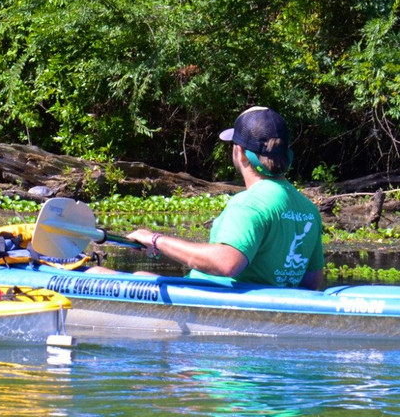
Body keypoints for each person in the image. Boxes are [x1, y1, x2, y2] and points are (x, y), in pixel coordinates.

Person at [124, 106, 324, 289]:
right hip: (264, 306)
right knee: (142, 275)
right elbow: (311, 282)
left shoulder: (249, 204)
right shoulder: (309, 209)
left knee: (101, 273)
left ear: (240, 152)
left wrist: (155, 239)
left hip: (214, 304)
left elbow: (226, 263)